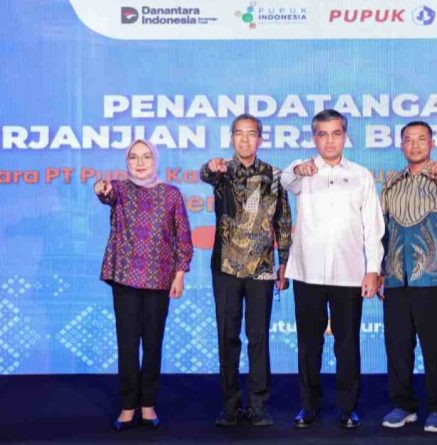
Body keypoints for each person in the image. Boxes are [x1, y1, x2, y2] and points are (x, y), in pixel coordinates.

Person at [281, 109, 384, 429]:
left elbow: (373, 227)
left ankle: (348, 407)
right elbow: (285, 180)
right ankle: (308, 406)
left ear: (345, 136)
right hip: (308, 272)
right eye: (322, 134)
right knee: (308, 344)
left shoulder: (361, 176)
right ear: (314, 138)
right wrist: (297, 168)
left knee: (347, 344)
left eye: (336, 133)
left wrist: (373, 269)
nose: (329, 140)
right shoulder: (303, 172)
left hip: (349, 272)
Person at [378, 121, 437, 433]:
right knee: (398, 347)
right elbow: (381, 231)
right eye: (409, 140)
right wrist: (379, 271)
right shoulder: (391, 183)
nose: (415, 145)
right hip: (396, 278)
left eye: (422, 139)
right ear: (401, 145)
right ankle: (403, 405)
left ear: (432, 143)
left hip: (435, 279)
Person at [94, 139, 193, 431]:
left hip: (159, 279)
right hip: (125, 277)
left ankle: (148, 404)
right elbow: (105, 193)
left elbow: (183, 237)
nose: (140, 163)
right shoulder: (120, 190)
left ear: (155, 160)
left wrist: (179, 274)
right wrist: (100, 188)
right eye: (134, 157)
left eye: (146, 157)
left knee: (152, 344)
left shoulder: (171, 194)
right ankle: (127, 405)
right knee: (127, 344)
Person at [201, 114, 292, 427]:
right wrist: (210, 166)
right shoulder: (222, 172)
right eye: (238, 134)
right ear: (231, 138)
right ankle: (229, 405)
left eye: (250, 134)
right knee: (227, 336)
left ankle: (258, 405)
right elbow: (206, 174)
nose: (244, 139)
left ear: (260, 140)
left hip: (262, 268)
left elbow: (283, 221)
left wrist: (284, 262)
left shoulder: (274, 176)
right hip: (225, 267)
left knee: (258, 338)